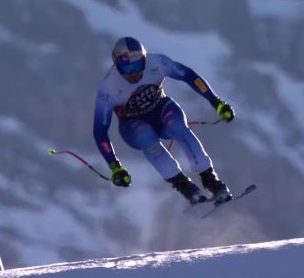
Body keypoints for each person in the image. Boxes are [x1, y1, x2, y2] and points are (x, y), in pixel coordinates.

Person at [93, 37, 235, 205]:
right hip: (132, 125)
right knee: (145, 135)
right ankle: (183, 185)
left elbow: (189, 76)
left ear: (144, 60)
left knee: (176, 124)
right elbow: (100, 132)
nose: (133, 72)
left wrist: (216, 102)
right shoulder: (108, 87)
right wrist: (115, 167)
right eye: (126, 67)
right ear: (116, 65)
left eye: (137, 65)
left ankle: (210, 179)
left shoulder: (157, 62)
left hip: (161, 110)